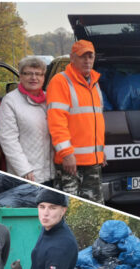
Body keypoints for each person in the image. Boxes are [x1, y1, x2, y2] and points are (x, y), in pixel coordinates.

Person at [47, 39, 106, 203]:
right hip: (71, 163)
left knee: (96, 206)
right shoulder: (60, 82)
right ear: (72, 58)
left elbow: (96, 121)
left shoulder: (94, 83)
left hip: (92, 162)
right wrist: (66, 154)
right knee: (69, 207)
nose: (87, 61)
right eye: (82, 57)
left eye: (90, 56)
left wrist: (99, 153)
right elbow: (57, 122)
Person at [0, 56, 54, 186]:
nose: (34, 78)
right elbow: (8, 139)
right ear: (20, 76)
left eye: (38, 74)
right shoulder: (10, 101)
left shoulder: (49, 99)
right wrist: (24, 169)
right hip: (26, 175)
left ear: (43, 77)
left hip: (51, 173)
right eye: (28, 73)